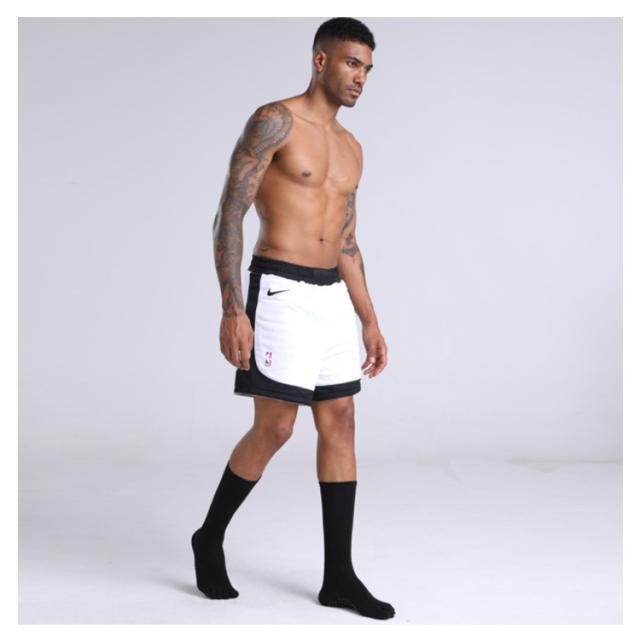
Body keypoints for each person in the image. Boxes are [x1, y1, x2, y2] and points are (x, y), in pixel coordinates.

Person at [191, 17, 394, 620]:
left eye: (368, 69)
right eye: (352, 63)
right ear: (320, 60)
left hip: (331, 297)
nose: (361, 78)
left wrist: (370, 320)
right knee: (276, 427)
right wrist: (232, 306)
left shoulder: (352, 148)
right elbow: (229, 214)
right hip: (280, 288)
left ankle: (339, 578)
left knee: (341, 421)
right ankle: (209, 537)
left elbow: (348, 243)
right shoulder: (273, 120)